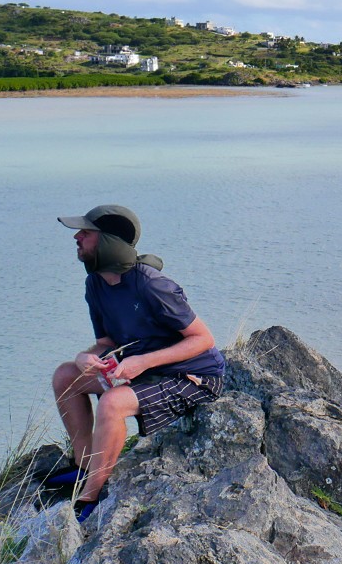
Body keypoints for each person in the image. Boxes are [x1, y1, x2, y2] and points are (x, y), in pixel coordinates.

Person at [49, 205, 225, 521]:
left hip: (193, 375)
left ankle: (92, 495)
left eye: (85, 233)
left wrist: (142, 362)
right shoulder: (95, 285)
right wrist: (87, 357)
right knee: (65, 376)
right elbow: (107, 343)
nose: (77, 237)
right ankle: (83, 465)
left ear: (107, 242)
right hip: (143, 368)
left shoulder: (152, 285)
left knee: (113, 403)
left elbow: (203, 339)